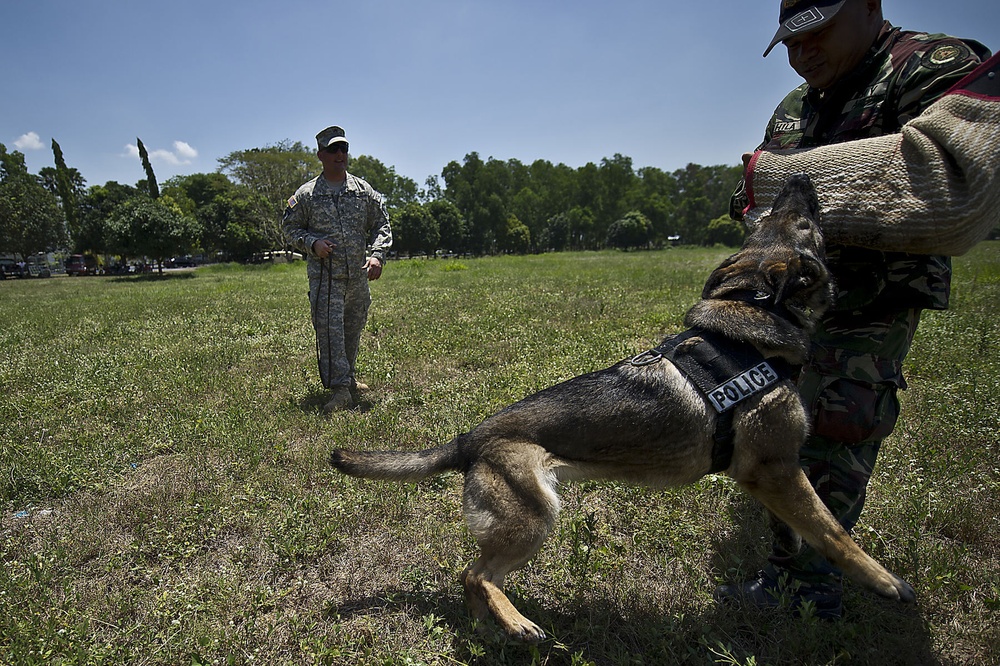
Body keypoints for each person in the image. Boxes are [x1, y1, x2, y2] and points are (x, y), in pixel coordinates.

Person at [719, 0, 991, 619]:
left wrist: (792, 185)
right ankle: (798, 563)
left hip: (873, 294)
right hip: (788, 301)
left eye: (818, 32)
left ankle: (808, 587)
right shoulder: (797, 105)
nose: (802, 52)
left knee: (837, 427)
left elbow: (944, 178)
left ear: (869, 7)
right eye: (790, 42)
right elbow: (751, 193)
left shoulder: (926, 67)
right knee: (774, 423)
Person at [282, 125, 393, 412]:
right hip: (326, 278)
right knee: (330, 332)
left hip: (357, 276)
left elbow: (382, 223)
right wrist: (313, 242)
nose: (340, 154)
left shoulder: (361, 191)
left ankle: (349, 377)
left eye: (343, 148)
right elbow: (290, 228)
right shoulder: (307, 195)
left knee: (352, 328)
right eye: (333, 149)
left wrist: (377, 255)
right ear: (321, 155)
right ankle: (341, 389)